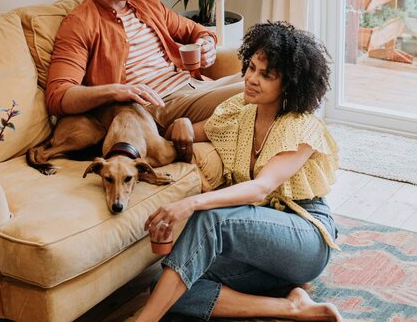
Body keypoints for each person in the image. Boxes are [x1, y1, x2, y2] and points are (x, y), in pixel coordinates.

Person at [137, 21, 342, 322]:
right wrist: (179, 126)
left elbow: (261, 188)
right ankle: (291, 307)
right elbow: (191, 132)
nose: (251, 79)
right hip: (258, 246)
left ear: (288, 84)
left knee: (210, 219)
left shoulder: (301, 126)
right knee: (167, 286)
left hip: (304, 238)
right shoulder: (239, 111)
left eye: (266, 75)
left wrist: (190, 203)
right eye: (251, 67)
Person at [45, 0, 243, 129]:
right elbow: (59, 95)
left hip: (193, 85)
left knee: (263, 77)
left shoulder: (146, 2)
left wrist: (207, 43)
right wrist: (116, 91)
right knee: (257, 90)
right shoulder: (80, 23)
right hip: (156, 106)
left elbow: (195, 30)